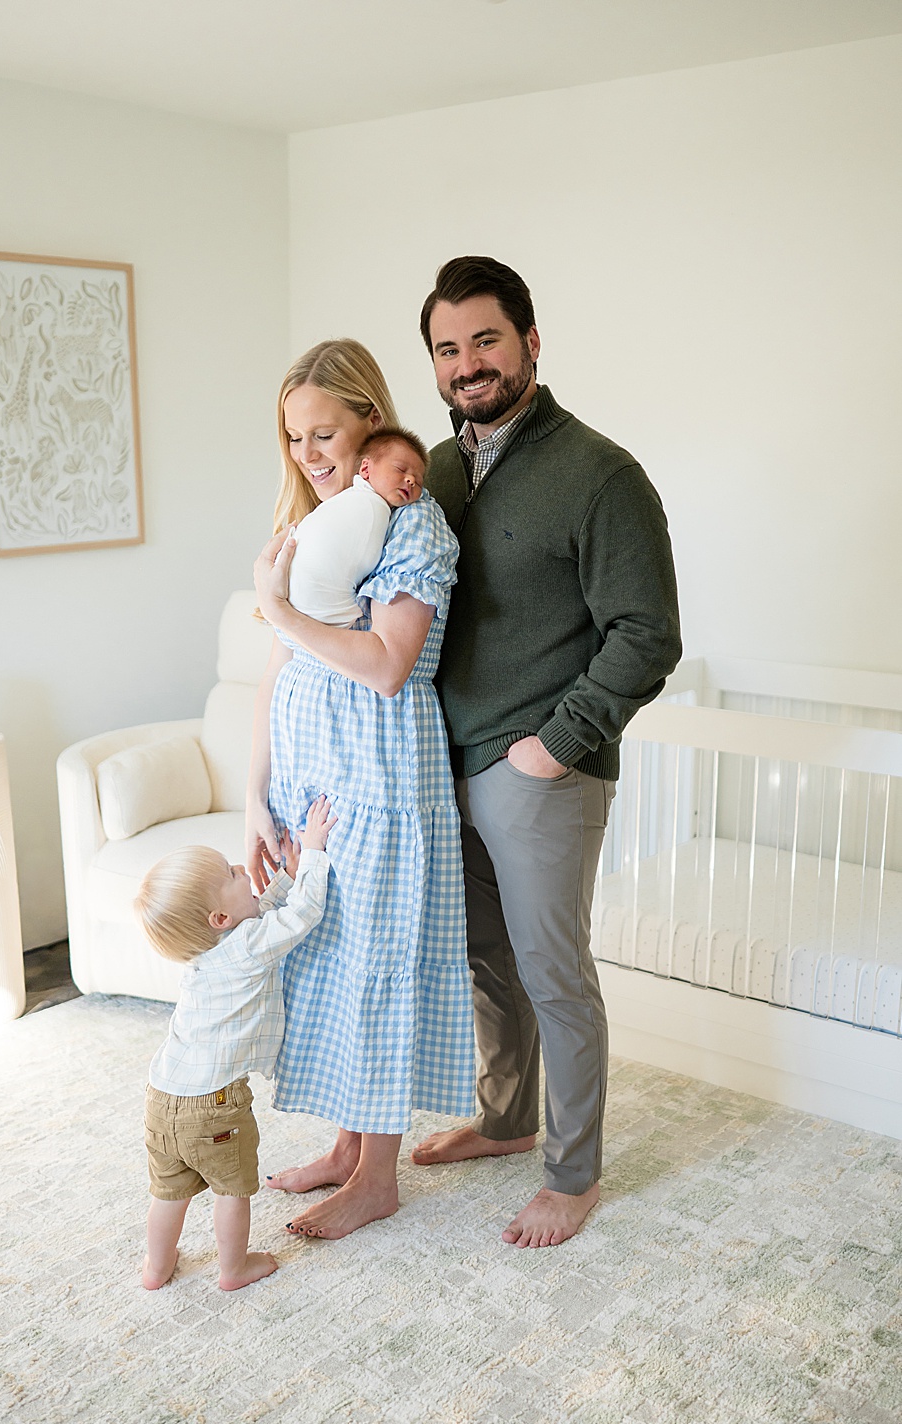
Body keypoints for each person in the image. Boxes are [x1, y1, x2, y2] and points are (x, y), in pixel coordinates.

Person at [408, 256, 680, 1249]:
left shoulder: (600, 473)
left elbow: (646, 634)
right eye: (447, 347)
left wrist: (552, 747)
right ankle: (506, 1117)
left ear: (529, 339)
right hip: (445, 764)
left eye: (485, 338)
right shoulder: (430, 472)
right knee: (487, 962)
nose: (467, 363)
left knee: (552, 971)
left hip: (540, 770)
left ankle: (572, 1172)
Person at [244, 338, 473, 1240]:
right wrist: (255, 795)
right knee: (331, 964)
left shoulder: (408, 523)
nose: (308, 453)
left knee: (375, 963)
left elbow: (386, 666)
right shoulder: (317, 518)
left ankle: (377, 1175)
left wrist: (285, 610)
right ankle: (347, 1147)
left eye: (325, 432)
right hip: (315, 783)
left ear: (370, 422)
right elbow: (276, 668)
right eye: (295, 437)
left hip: (380, 775)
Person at [134, 797, 336, 1292]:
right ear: (219, 918)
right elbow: (301, 914)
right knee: (232, 1189)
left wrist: (281, 878)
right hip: (214, 1107)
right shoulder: (246, 947)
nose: (244, 869)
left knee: (169, 1193)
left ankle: (155, 1268)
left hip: (162, 1099)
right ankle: (233, 1268)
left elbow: (258, 915)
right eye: (231, 872)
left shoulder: (210, 954)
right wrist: (312, 852)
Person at [282, 429, 427, 636]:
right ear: (366, 469)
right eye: (400, 469)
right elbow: (370, 563)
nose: (411, 480)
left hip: (296, 614)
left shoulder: (344, 501)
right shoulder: (373, 507)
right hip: (325, 618)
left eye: (418, 481)